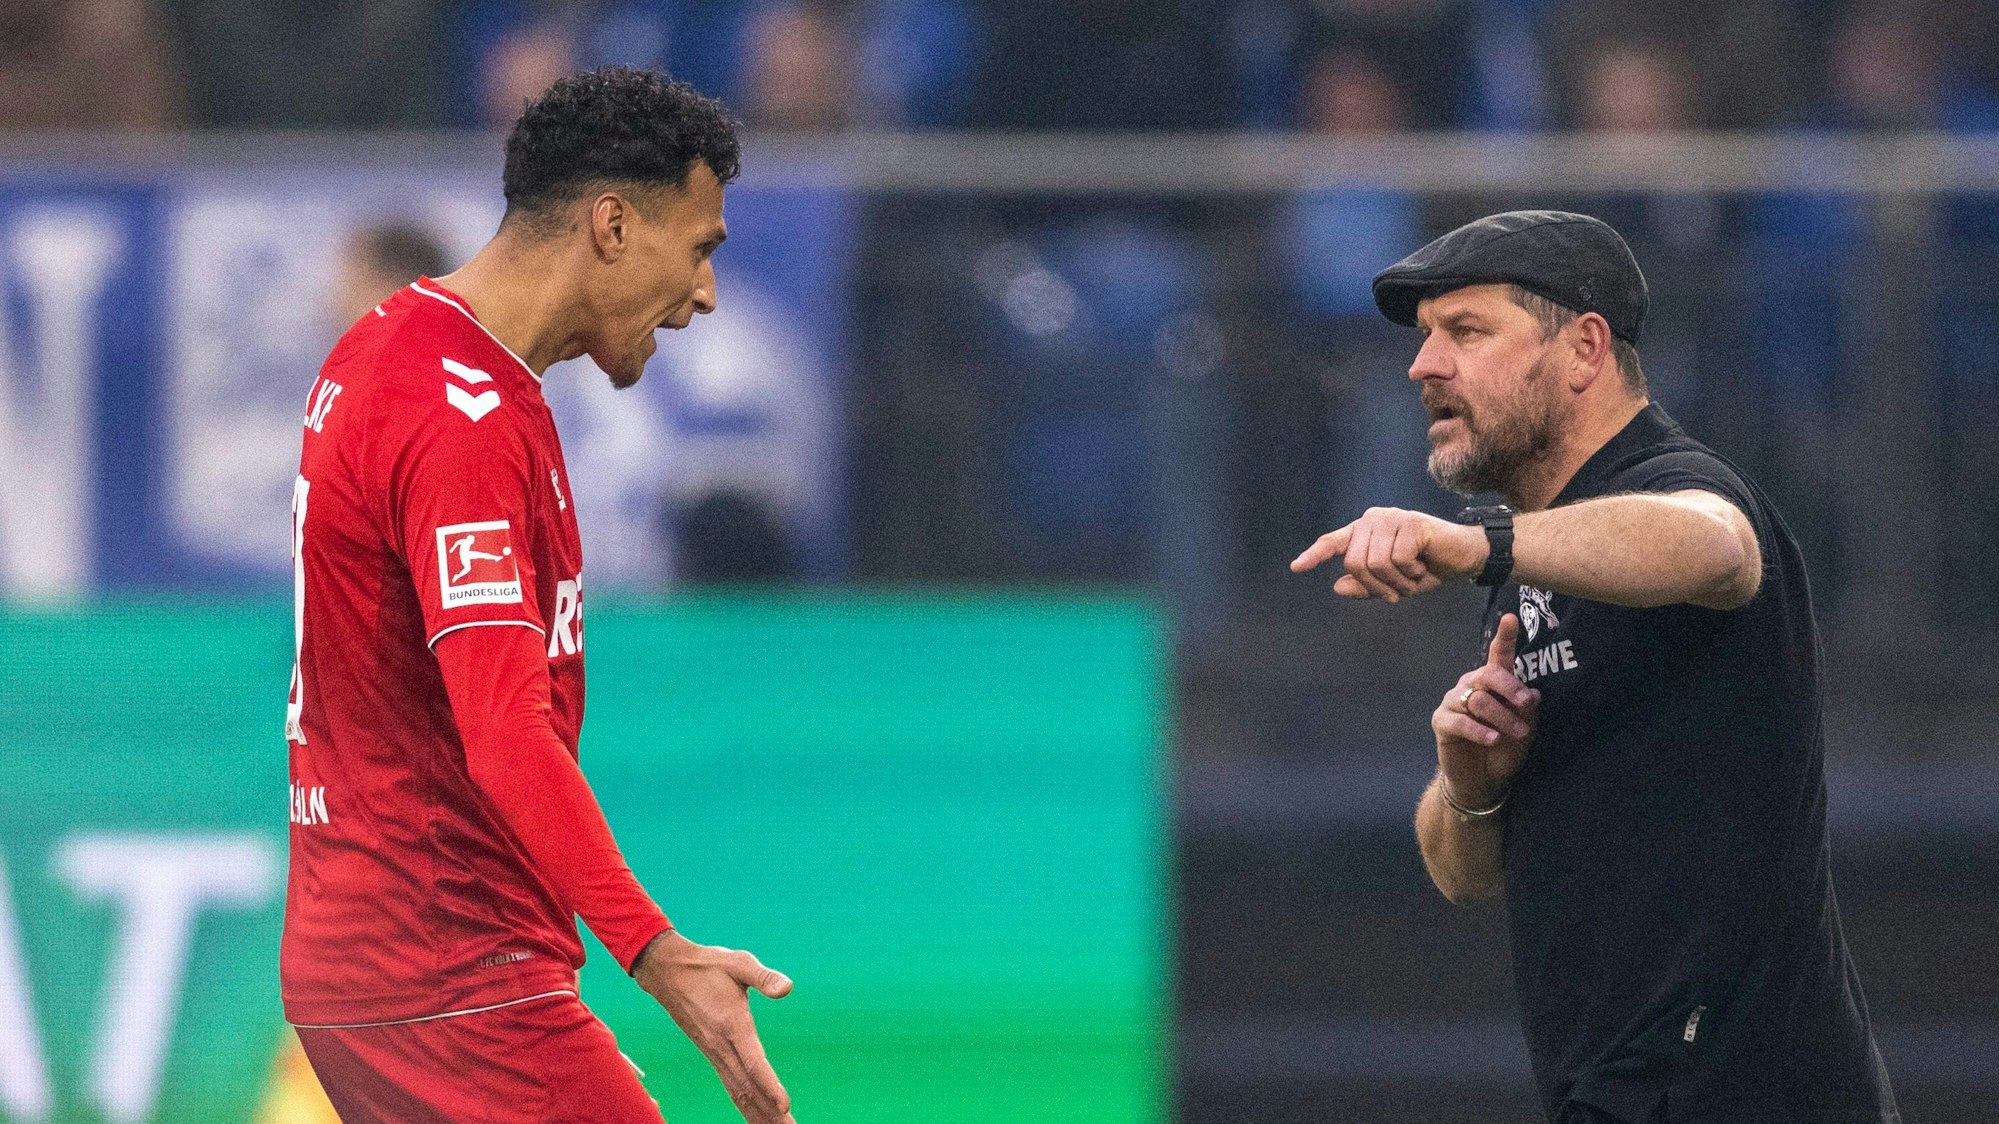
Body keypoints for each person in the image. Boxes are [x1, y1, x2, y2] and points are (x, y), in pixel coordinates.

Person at [1290, 211, 1899, 1123]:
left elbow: (1717, 549)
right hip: (1613, 1090)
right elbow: (1461, 874)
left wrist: (1471, 543)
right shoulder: (1528, 566)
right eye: (1425, 340)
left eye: (1466, 331)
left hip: (1737, 1090)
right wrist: (1470, 780)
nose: (1422, 367)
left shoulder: (1669, 480)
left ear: (1582, 350)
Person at [282, 68, 794, 1124]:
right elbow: (505, 729)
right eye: (698, 249)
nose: (703, 294)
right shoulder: (459, 416)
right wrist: (660, 955)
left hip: (393, 956)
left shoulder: (399, 349)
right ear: (612, 223)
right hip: (446, 962)